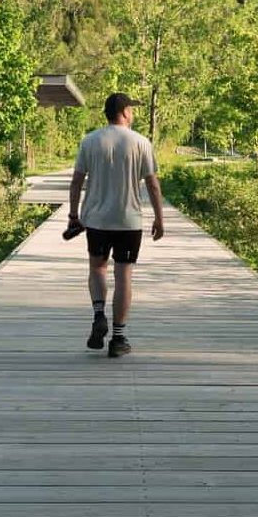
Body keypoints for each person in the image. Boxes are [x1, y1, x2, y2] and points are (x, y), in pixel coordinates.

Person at [67, 92, 164, 358]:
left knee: (97, 267)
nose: (132, 112)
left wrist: (74, 216)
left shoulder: (90, 141)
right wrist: (159, 218)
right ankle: (119, 338)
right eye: (131, 108)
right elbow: (153, 184)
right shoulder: (141, 142)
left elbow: (76, 181)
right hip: (129, 221)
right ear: (124, 112)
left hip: (97, 220)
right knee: (124, 275)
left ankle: (99, 314)